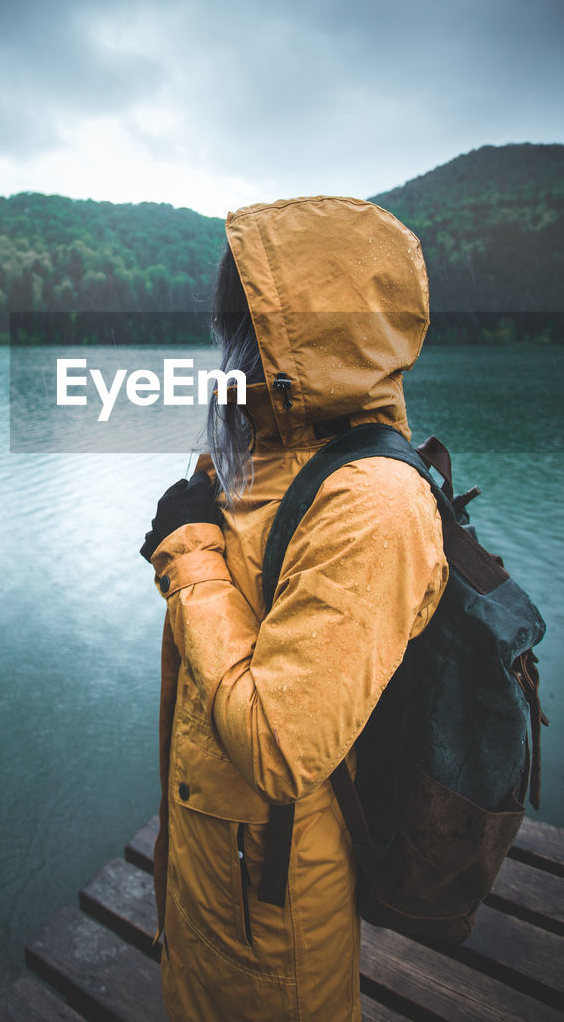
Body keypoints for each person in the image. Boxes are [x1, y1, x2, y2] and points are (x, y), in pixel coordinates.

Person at [140, 196, 449, 1022]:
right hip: (207, 864)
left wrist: (191, 551)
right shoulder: (257, 453)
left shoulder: (372, 505)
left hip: (271, 907)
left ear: (292, 337)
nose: (225, 340)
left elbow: (278, 745)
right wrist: (200, 525)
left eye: (240, 318)